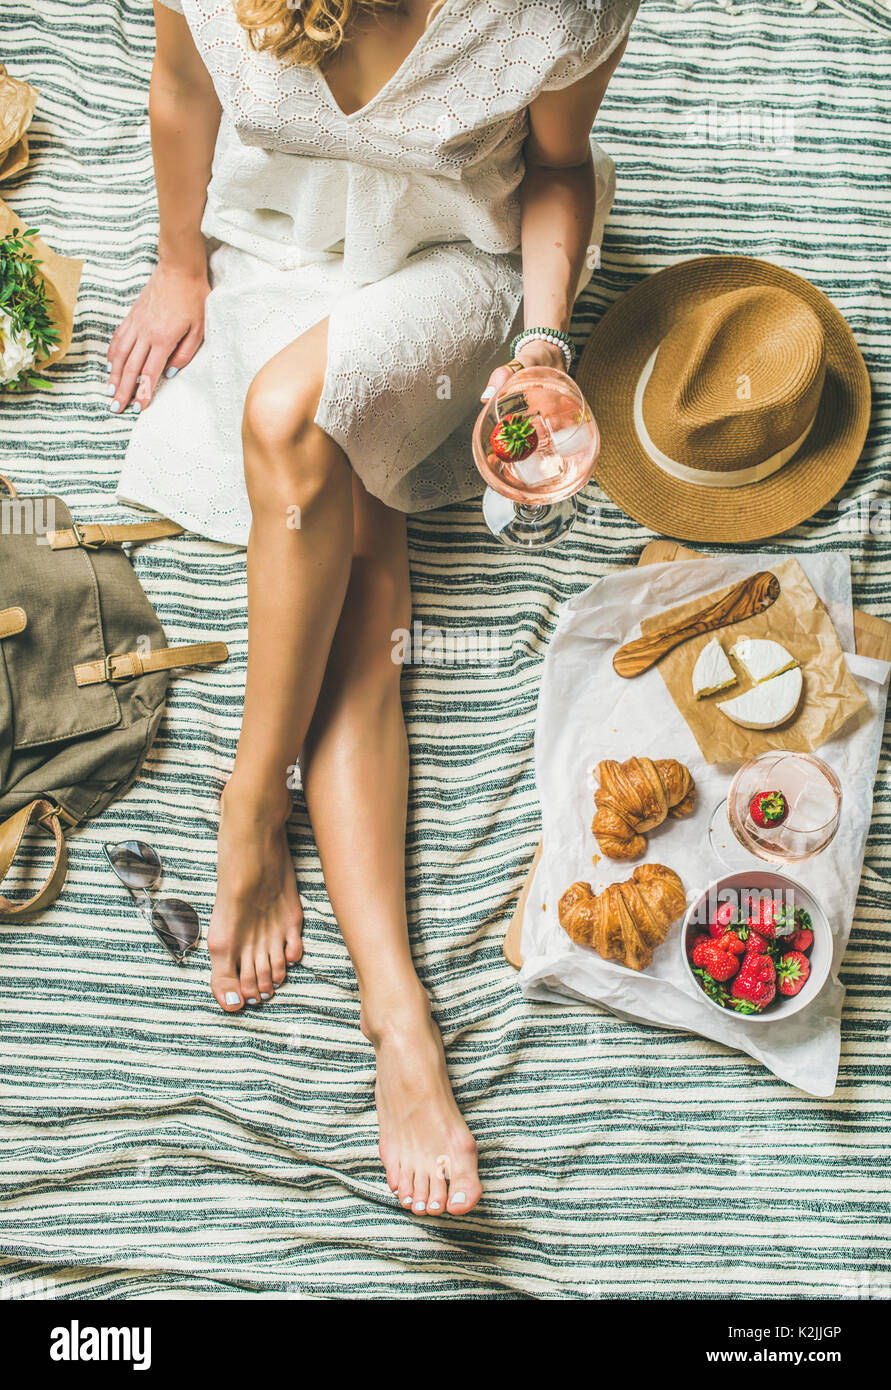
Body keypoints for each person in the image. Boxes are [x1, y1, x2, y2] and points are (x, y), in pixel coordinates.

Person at [108, 0, 639, 1218]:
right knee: (367, 589)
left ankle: (250, 801)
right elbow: (184, 94)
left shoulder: (562, 8)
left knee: (285, 421)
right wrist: (182, 261)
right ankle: (396, 1008)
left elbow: (556, 171)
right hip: (290, 232)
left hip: (459, 257)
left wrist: (546, 346)